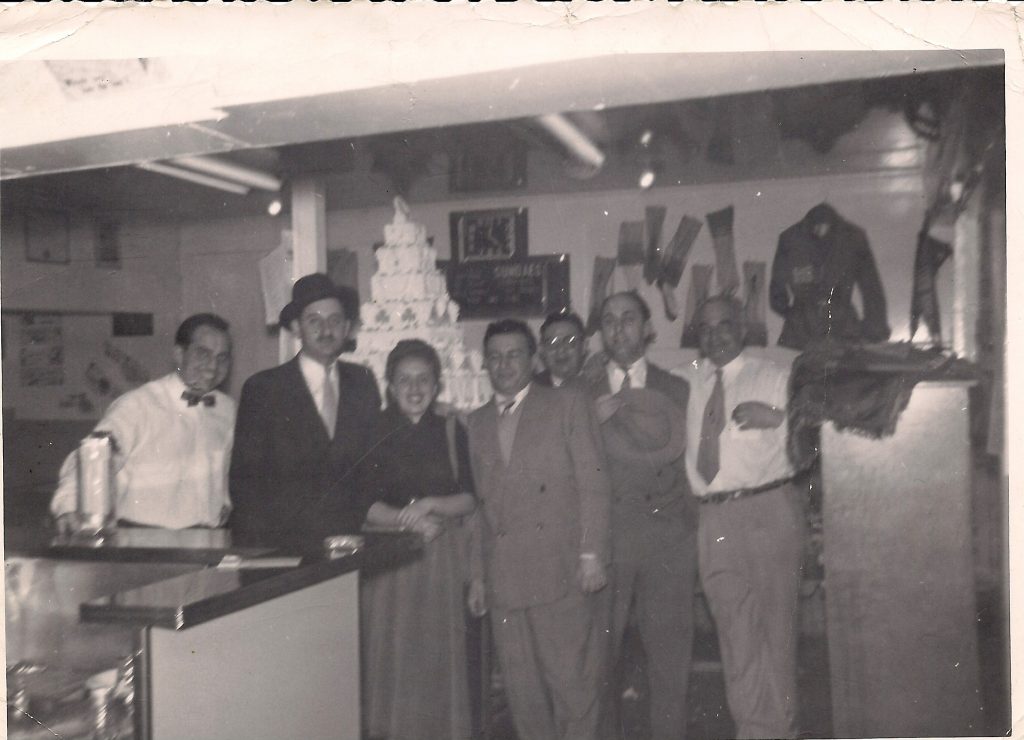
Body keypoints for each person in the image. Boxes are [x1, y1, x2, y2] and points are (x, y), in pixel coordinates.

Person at [466, 318, 611, 740]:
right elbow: (478, 507)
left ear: (533, 359)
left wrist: (591, 554)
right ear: (485, 364)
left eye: (514, 355)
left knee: (572, 686)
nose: (504, 365)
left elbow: (594, 483)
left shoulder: (567, 403)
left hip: (560, 570)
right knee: (522, 694)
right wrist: (476, 575)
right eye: (494, 357)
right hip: (503, 579)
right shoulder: (475, 423)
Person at [678, 294, 806, 739]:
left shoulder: (776, 376)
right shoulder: (686, 381)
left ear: (743, 328)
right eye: (706, 327)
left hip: (767, 511)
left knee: (776, 633)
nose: (715, 335)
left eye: (724, 324)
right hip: (713, 520)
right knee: (735, 636)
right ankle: (753, 731)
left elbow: (819, 432)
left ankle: (782, 731)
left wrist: (780, 418)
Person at [585, 291, 698, 740]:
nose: (618, 329)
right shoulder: (580, 391)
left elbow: (691, 468)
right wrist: (588, 421)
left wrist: (694, 534)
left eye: (628, 318)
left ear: (647, 328)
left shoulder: (677, 387)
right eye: (609, 320)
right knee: (600, 657)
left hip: (666, 538)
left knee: (671, 658)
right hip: (606, 538)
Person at [359, 339, 477, 740]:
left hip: (439, 560)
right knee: (389, 658)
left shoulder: (451, 428)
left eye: (423, 379)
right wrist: (406, 522)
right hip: (388, 561)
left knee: (435, 659)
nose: (414, 388)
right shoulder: (371, 429)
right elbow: (360, 504)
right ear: (390, 385)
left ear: (437, 384)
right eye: (404, 379)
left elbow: (468, 498)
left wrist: (430, 506)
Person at [229, 273, 381, 547]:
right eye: (314, 321)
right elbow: (245, 483)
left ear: (347, 328)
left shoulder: (363, 382)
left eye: (335, 321)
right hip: (283, 547)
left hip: (349, 544)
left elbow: (372, 467)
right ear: (296, 328)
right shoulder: (264, 388)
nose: (326, 330)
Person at [51, 313, 235, 530]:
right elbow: (93, 455)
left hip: (210, 538)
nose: (213, 367)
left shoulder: (228, 409)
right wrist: (70, 505)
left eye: (222, 358)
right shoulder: (137, 406)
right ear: (178, 355)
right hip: (144, 540)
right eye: (203, 354)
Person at [536, 310, 588, 388]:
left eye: (569, 341)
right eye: (552, 343)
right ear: (542, 350)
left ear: (584, 346)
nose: (560, 350)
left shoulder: (597, 383)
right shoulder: (529, 389)